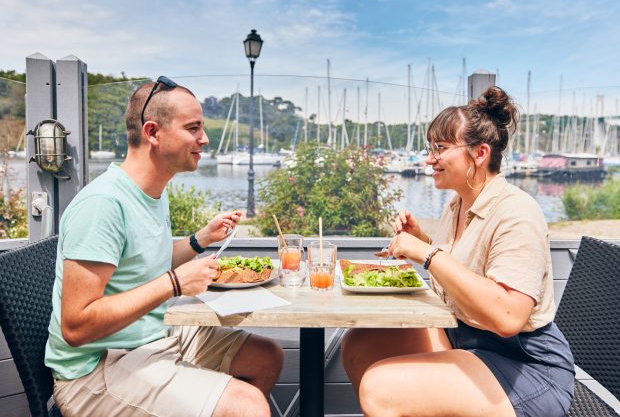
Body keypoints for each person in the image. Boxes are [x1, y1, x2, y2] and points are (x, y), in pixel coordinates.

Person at [45, 77, 283, 417]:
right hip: (97, 370)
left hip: (151, 338)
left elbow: (143, 262)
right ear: (153, 133)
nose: (205, 139)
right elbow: (76, 326)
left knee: (266, 357)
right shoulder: (103, 204)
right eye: (194, 128)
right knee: (249, 407)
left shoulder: (153, 192)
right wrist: (174, 283)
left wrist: (201, 239)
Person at [341, 87, 575, 417]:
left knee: (381, 388)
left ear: (480, 154)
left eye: (441, 148)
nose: (429, 158)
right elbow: (461, 267)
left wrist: (427, 254)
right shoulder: (458, 204)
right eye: (430, 147)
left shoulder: (517, 213)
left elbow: (509, 317)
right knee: (359, 345)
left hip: (524, 363)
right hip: (465, 337)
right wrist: (422, 239)